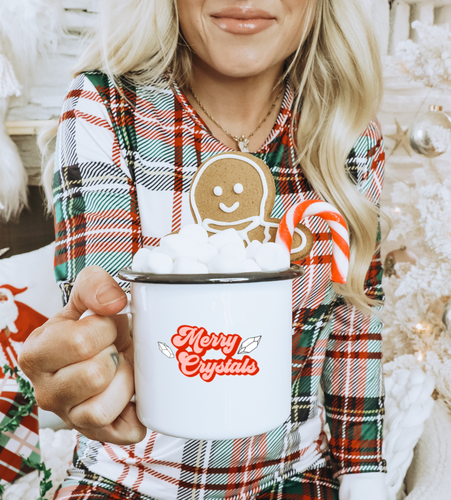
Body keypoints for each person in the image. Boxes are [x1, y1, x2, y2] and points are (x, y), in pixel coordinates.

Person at [19, 1, 388, 499]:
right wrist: (94, 370)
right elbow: (103, 322)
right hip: (128, 480)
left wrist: (365, 478)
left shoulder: (346, 131)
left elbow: (355, 331)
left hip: (293, 477)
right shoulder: (107, 108)